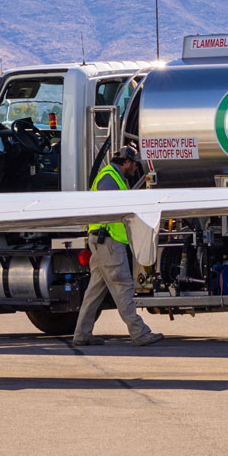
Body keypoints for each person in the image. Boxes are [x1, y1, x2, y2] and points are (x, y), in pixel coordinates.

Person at [71, 145, 165, 346]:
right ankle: (139, 333)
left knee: (94, 291)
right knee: (123, 286)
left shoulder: (113, 177)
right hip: (109, 242)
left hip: (103, 241)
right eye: (134, 164)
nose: (135, 168)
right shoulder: (109, 178)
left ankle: (82, 334)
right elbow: (110, 207)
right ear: (126, 162)